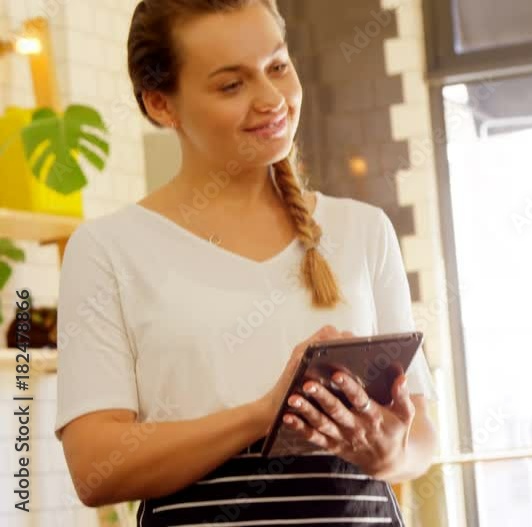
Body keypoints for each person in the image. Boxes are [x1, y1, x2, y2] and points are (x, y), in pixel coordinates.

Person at [54, 1, 437, 525]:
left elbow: (421, 438)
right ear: (161, 104)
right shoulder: (108, 248)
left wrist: (388, 452)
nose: (272, 99)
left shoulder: (364, 230)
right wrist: (263, 414)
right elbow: (95, 469)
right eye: (231, 85)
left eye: (277, 66)